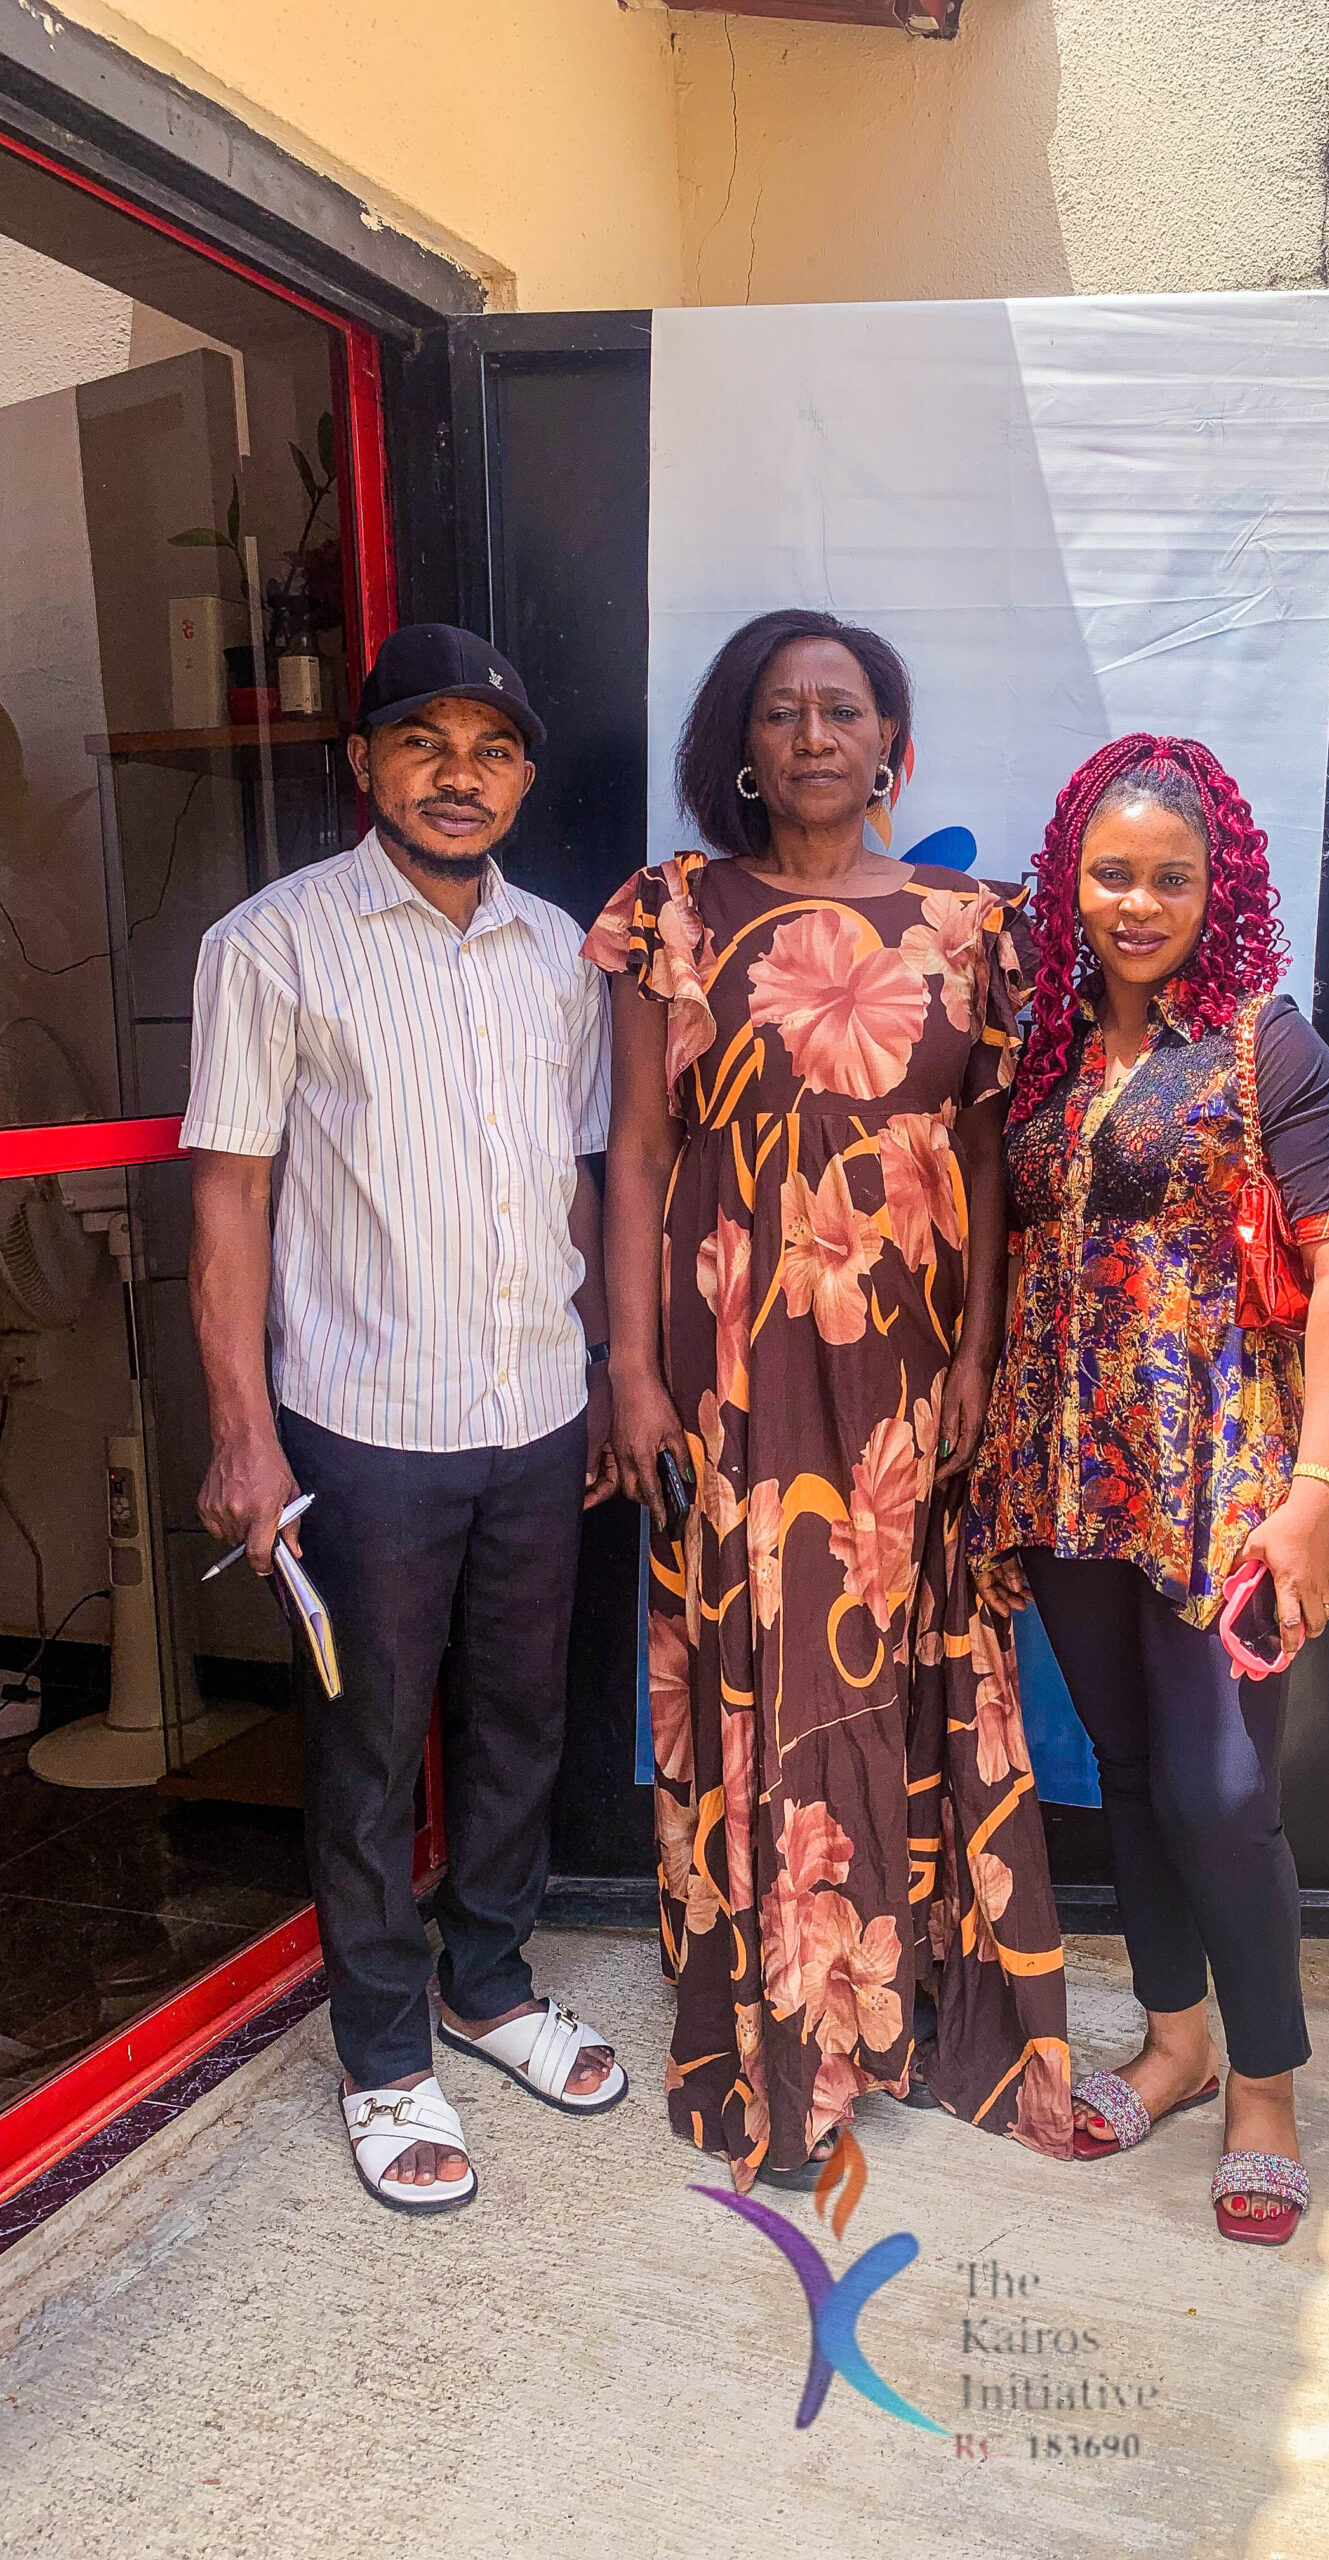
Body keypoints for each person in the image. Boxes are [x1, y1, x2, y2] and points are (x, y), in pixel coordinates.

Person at [590, 607, 1071, 2189]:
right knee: (768, 1660)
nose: (812, 735)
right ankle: (788, 2042)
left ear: (891, 748)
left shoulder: (967, 925)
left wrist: (983, 1358)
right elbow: (640, 1150)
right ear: (741, 744)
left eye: (843, 710)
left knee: (895, 1652)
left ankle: (897, 2003)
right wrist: (630, 1369)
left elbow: (986, 1156)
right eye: (783, 711)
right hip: (732, 1355)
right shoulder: (674, 912)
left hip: (905, 1359)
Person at [185, 623, 627, 2217]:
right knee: (369, 1747)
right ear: (361, 759)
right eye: (424, 743)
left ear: (523, 779)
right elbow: (229, 1202)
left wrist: (602, 1369)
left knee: (520, 1720)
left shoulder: (560, 954)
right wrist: (244, 1431)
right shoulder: (274, 945)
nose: (460, 775)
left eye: (492, 749)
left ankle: (486, 1983)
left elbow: (580, 1182)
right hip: (362, 1424)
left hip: (535, 1407)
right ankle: (382, 2052)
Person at [969, 735, 1329, 2245]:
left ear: (1222, 889)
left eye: (1171, 878)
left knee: (1223, 1790)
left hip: (1223, 1476)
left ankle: (1265, 2090)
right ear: (1070, 880)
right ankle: (1175, 2043)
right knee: (1133, 1773)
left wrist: (1320, 1490)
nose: (1137, 904)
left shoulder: (1268, 1047)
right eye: (1111, 874)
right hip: (1068, 1469)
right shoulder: (1045, 1047)